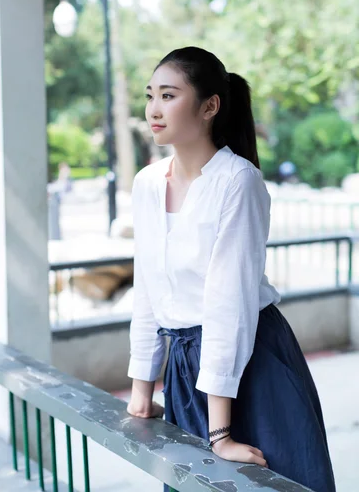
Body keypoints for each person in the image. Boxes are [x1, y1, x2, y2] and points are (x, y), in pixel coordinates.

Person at [126, 47, 335, 492]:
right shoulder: (146, 184)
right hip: (186, 369)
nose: (153, 110)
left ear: (210, 106)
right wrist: (142, 391)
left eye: (168, 95)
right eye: (150, 96)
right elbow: (148, 289)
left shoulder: (237, 180)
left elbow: (228, 304)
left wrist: (220, 433)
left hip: (251, 361)